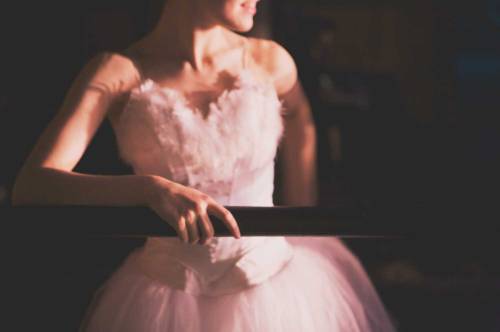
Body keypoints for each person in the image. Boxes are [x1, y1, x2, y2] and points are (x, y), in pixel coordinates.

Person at [12, 0, 396, 331]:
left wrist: (302, 222)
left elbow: (299, 118)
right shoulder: (117, 73)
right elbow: (33, 185)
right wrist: (147, 190)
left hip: (275, 287)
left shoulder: (270, 61)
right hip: (163, 301)